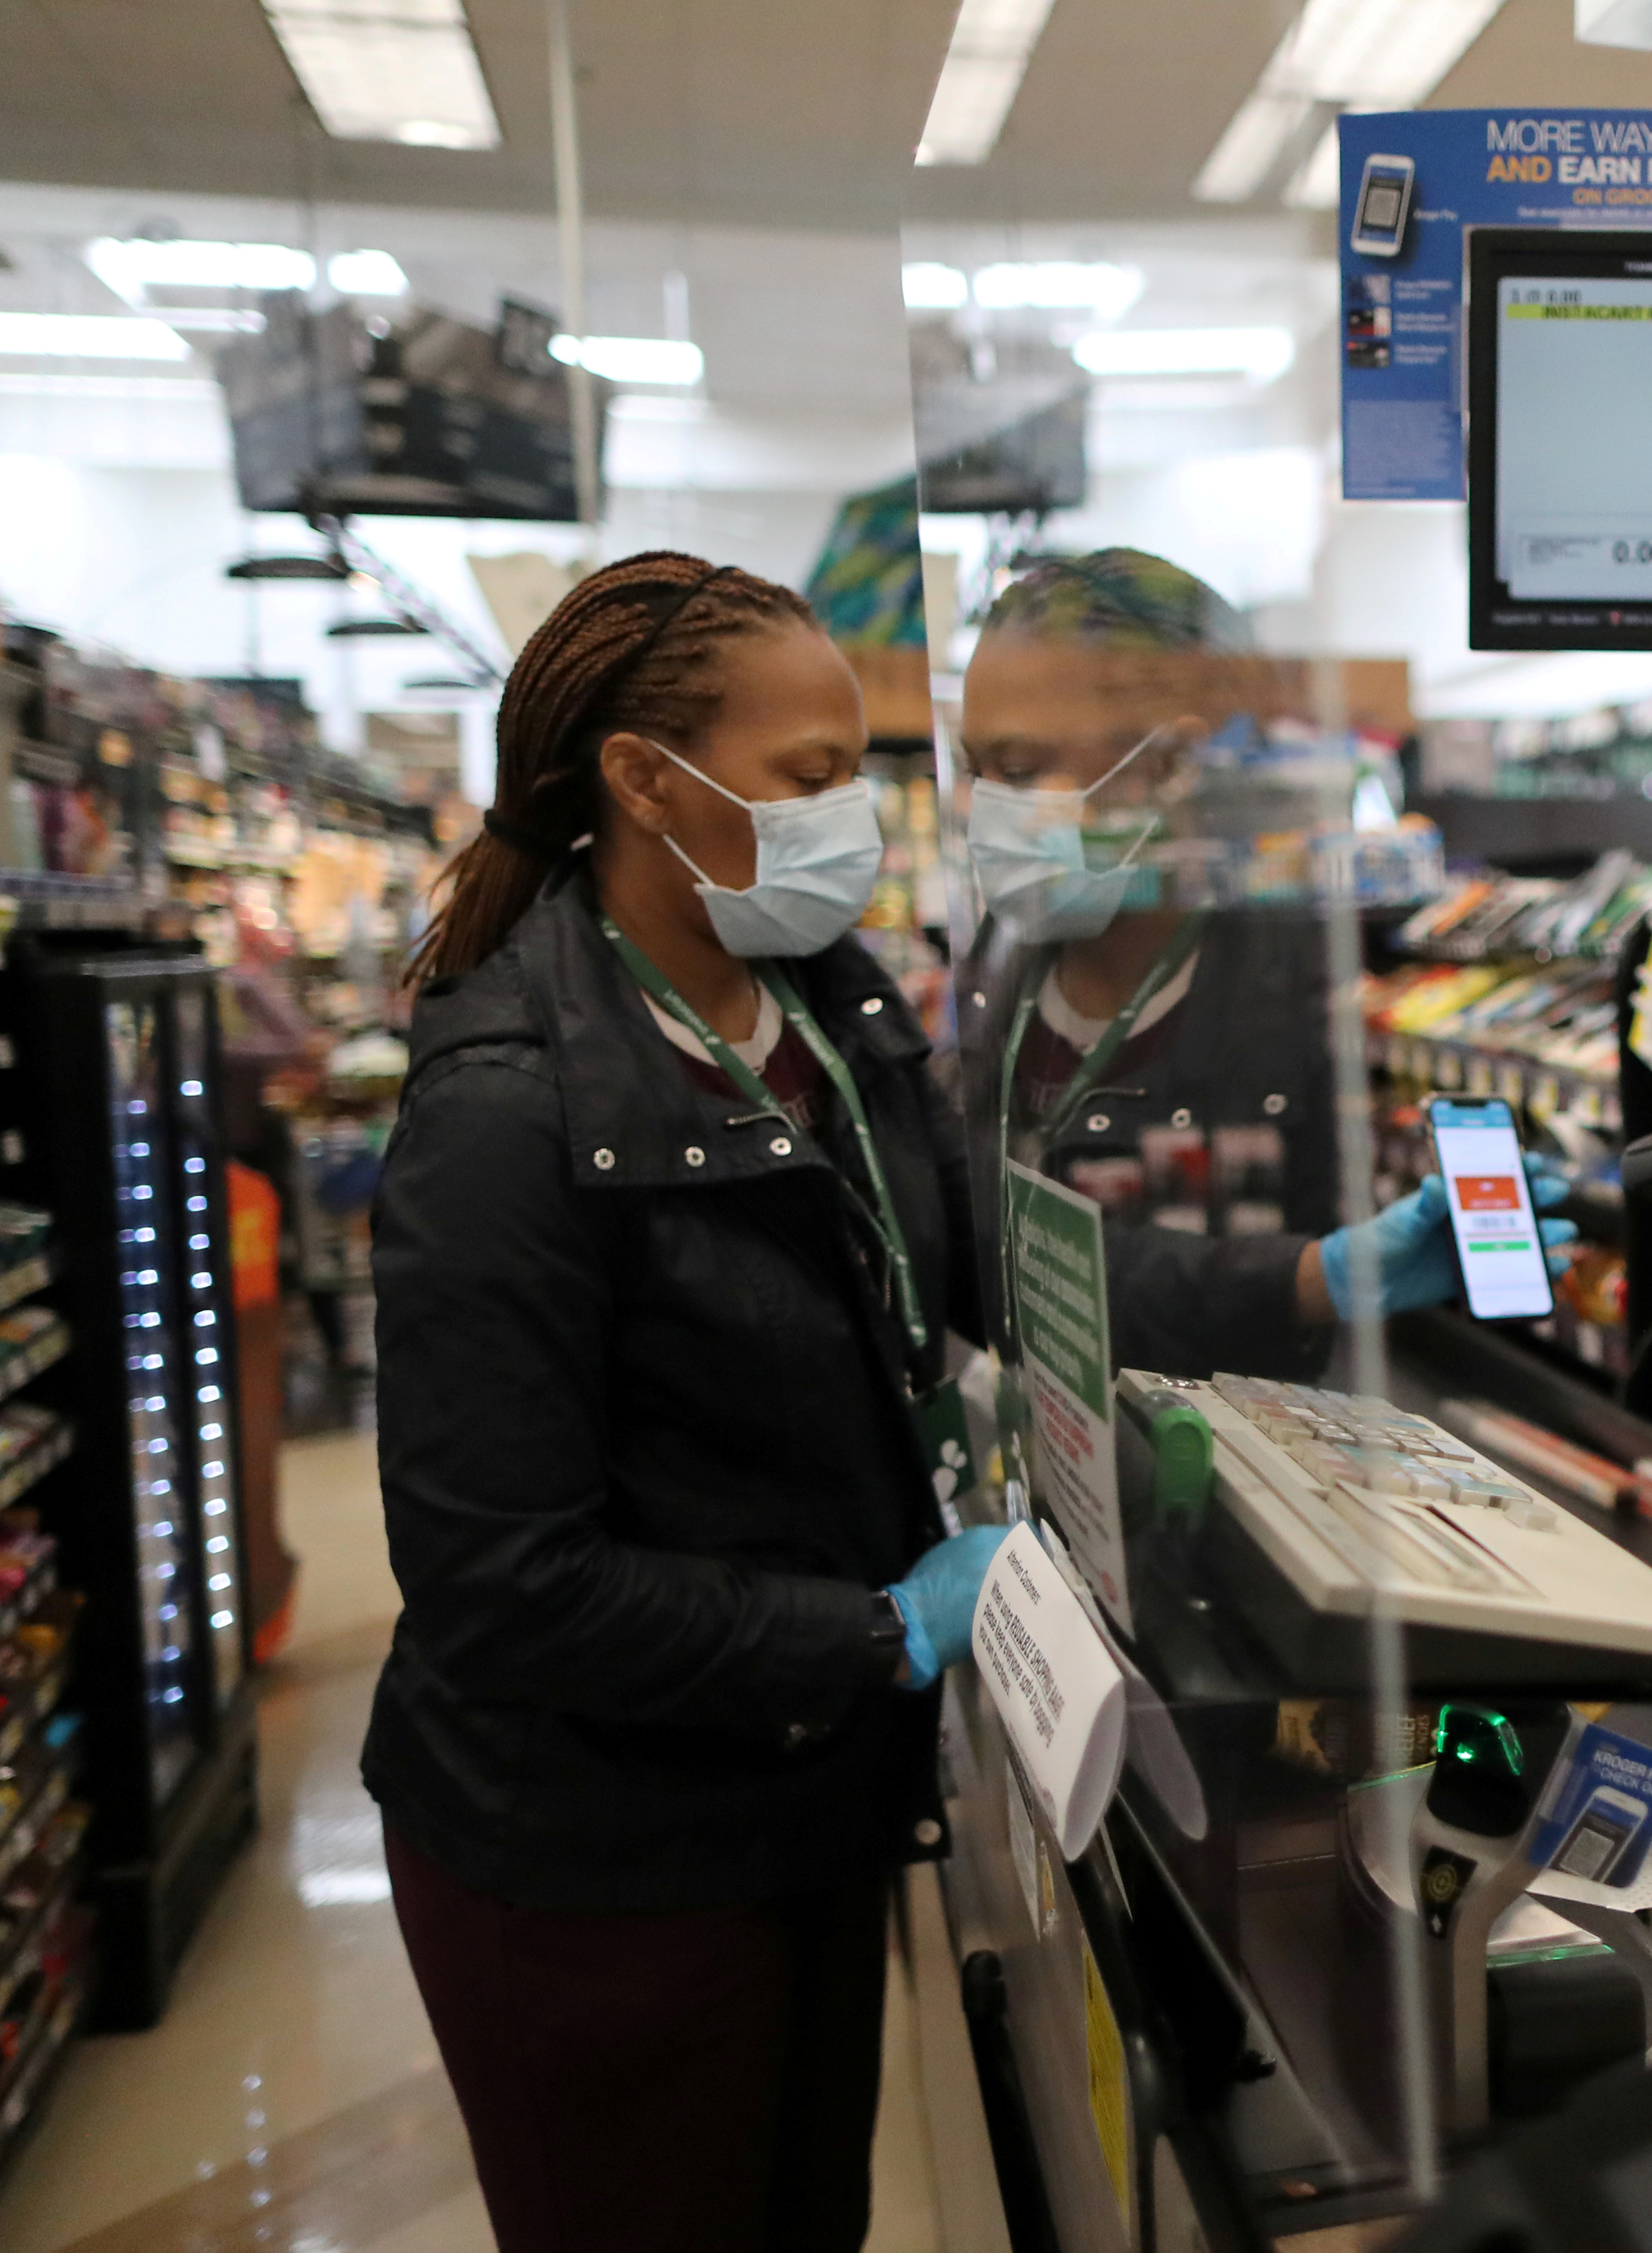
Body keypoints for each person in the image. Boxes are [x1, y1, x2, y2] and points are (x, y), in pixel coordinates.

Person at [366, 552, 1006, 2253]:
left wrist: (1316, 1278)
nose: (851, 819)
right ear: (647, 780)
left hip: (802, 1798)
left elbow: (993, 1268)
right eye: (808, 780)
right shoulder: (506, 1114)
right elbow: (499, 1584)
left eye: (860, 773)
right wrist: (874, 1631)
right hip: (593, 1854)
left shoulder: (829, 1014)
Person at [953, 548, 1567, 1379]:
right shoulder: (998, 965)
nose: (977, 809)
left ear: (1170, 767)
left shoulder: (1300, 992)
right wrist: (1309, 1279)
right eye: (972, 770)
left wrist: (1330, 1279)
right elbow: (985, 1266)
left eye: (1019, 770)